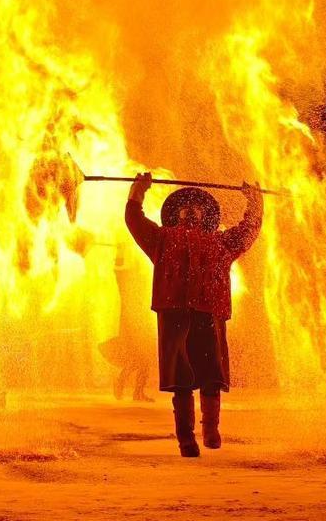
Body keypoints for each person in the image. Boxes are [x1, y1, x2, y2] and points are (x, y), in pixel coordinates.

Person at [125, 172, 263, 458]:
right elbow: (134, 221)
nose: (191, 210)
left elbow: (248, 231)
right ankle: (185, 439)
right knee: (180, 379)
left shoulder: (220, 242)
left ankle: (211, 429)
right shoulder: (161, 239)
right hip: (173, 310)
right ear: (175, 214)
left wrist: (254, 203)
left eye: (196, 207)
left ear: (204, 215)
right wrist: (137, 192)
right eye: (185, 206)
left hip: (209, 311)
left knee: (211, 374)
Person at [100, 250, 155, 402]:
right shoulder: (126, 284)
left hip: (138, 324)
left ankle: (128, 387)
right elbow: (119, 273)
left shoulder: (136, 284)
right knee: (141, 359)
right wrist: (121, 250)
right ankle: (132, 389)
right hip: (132, 326)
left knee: (140, 359)